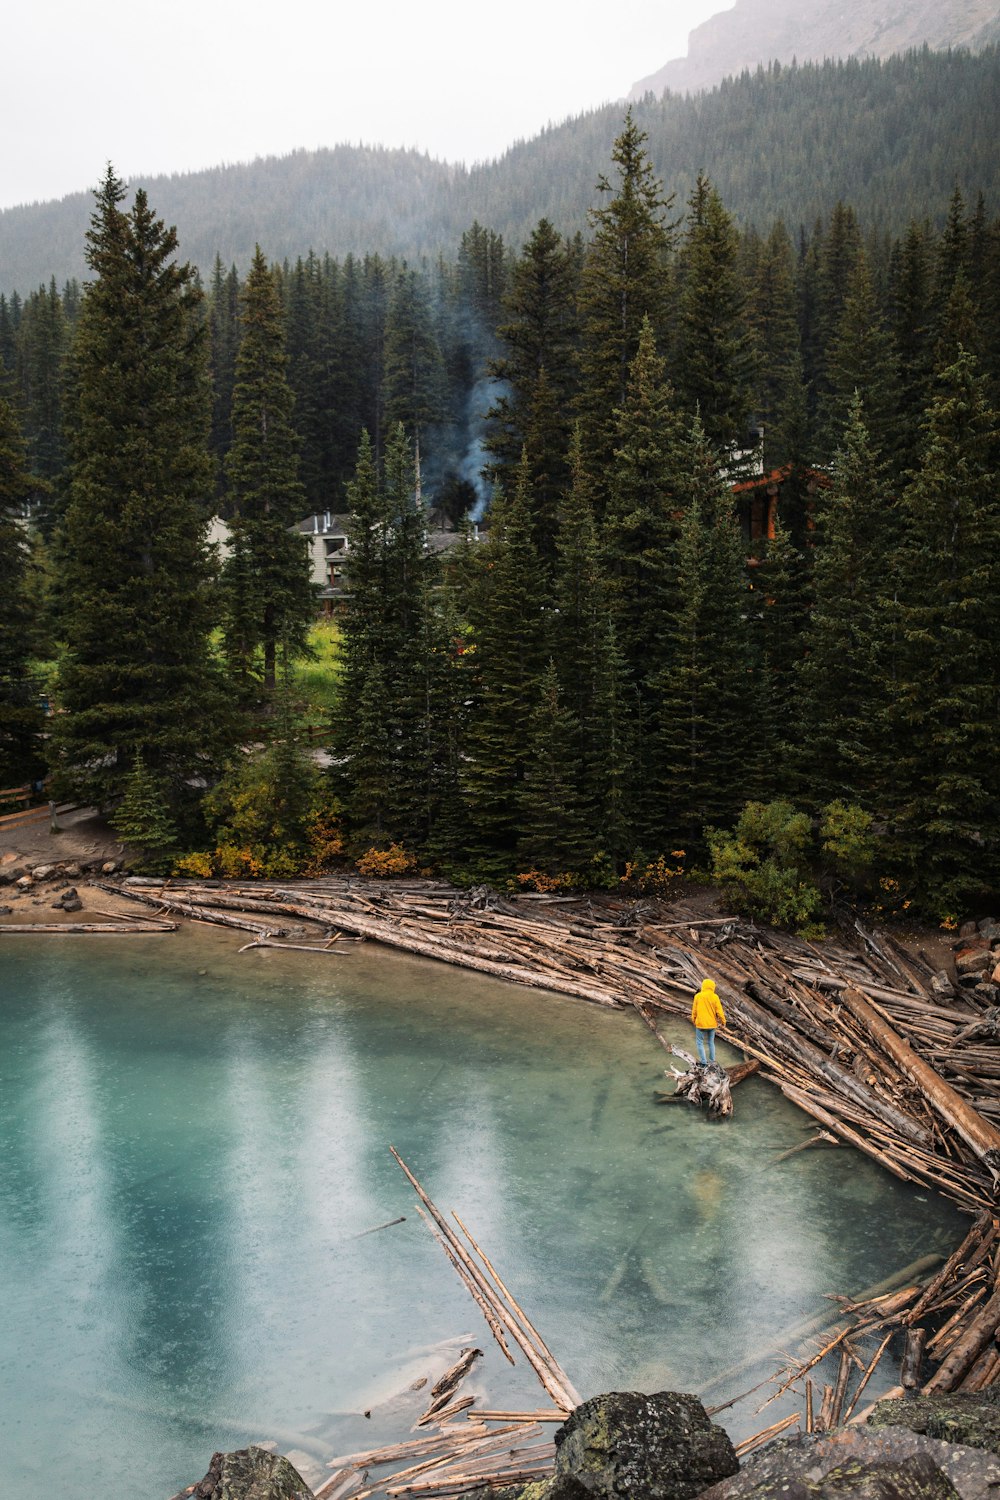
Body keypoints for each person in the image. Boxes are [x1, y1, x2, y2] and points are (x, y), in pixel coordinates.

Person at [691, 977, 726, 1064]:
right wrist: (723, 1021)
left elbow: (694, 1011)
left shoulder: (697, 996)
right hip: (712, 1024)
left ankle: (704, 1062)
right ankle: (712, 1061)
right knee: (711, 1042)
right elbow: (719, 1011)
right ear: (712, 987)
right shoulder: (715, 997)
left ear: (703, 986)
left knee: (699, 1043)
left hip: (700, 1024)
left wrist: (694, 1020)